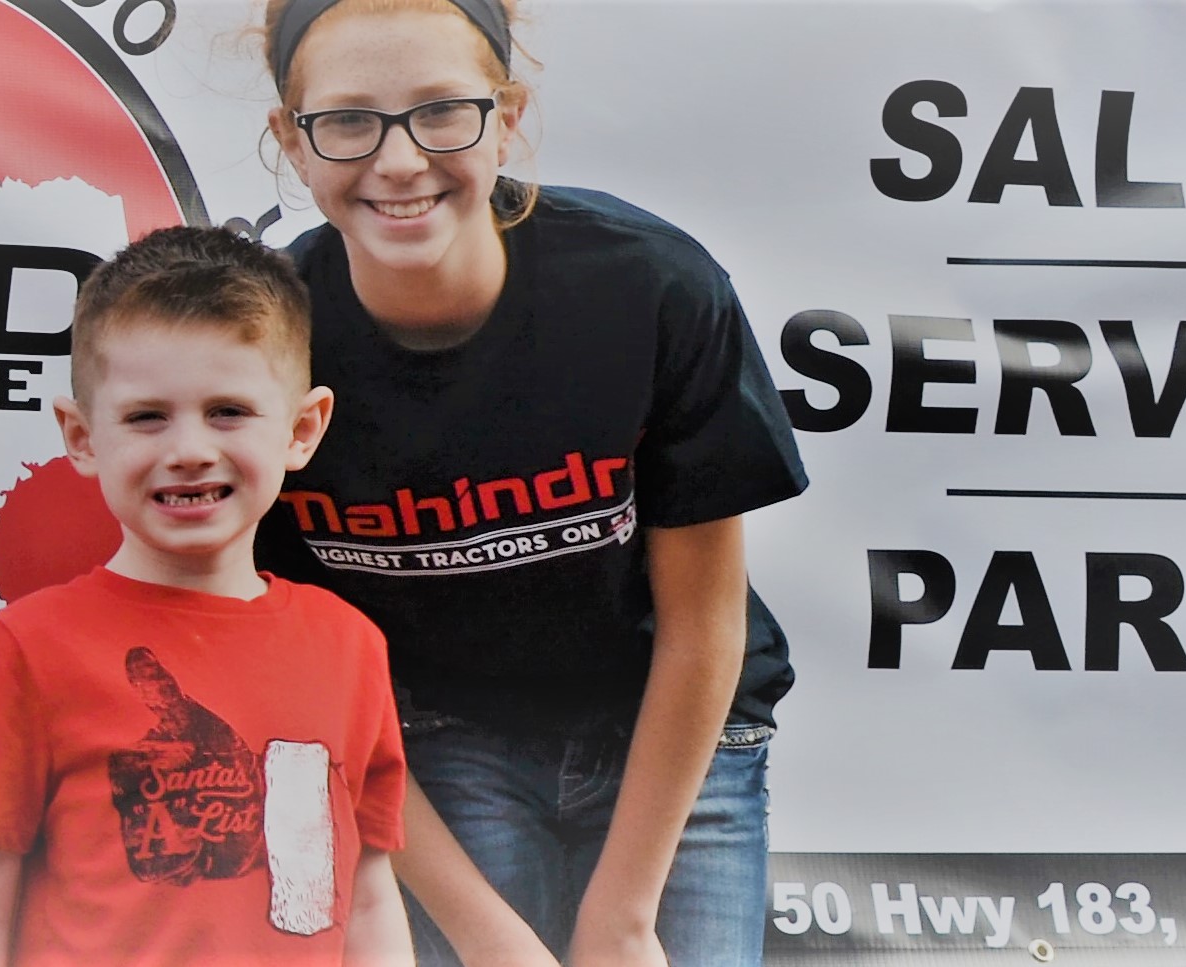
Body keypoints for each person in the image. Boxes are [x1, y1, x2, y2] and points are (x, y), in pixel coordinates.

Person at [254, 1, 811, 964]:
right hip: (436, 739)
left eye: (443, 111)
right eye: (347, 120)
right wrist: (486, 936)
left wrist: (623, 916)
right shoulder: (264, 343)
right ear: (292, 142)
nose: (400, 160)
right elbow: (311, 683)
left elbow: (703, 623)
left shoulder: (650, 286)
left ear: (506, 117)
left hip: (671, 729)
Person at [0, 226, 413, 967]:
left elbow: (369, 894)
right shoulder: (33, 645)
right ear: (82, 436)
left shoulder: (351, 646)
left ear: (302, 428)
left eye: (228, 411)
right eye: (147, 416)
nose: (189, 450)